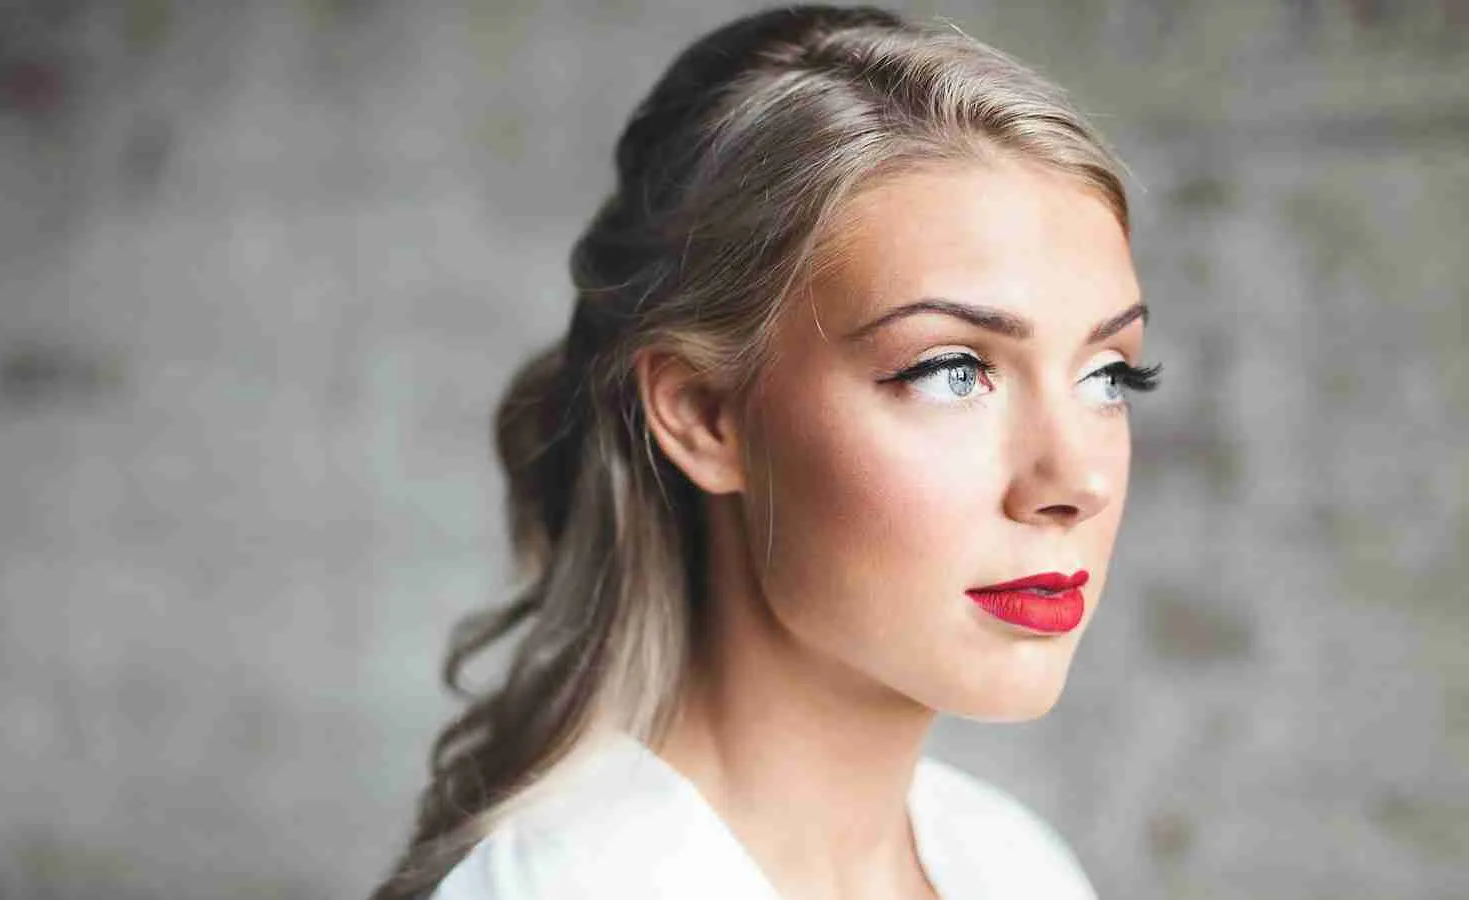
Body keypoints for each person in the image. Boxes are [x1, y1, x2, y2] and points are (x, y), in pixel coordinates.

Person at [372, 5, 1161, 898]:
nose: (1075, 483)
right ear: (706, 415)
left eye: (1107, 377)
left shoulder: (1017, 868)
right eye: (952, 372)